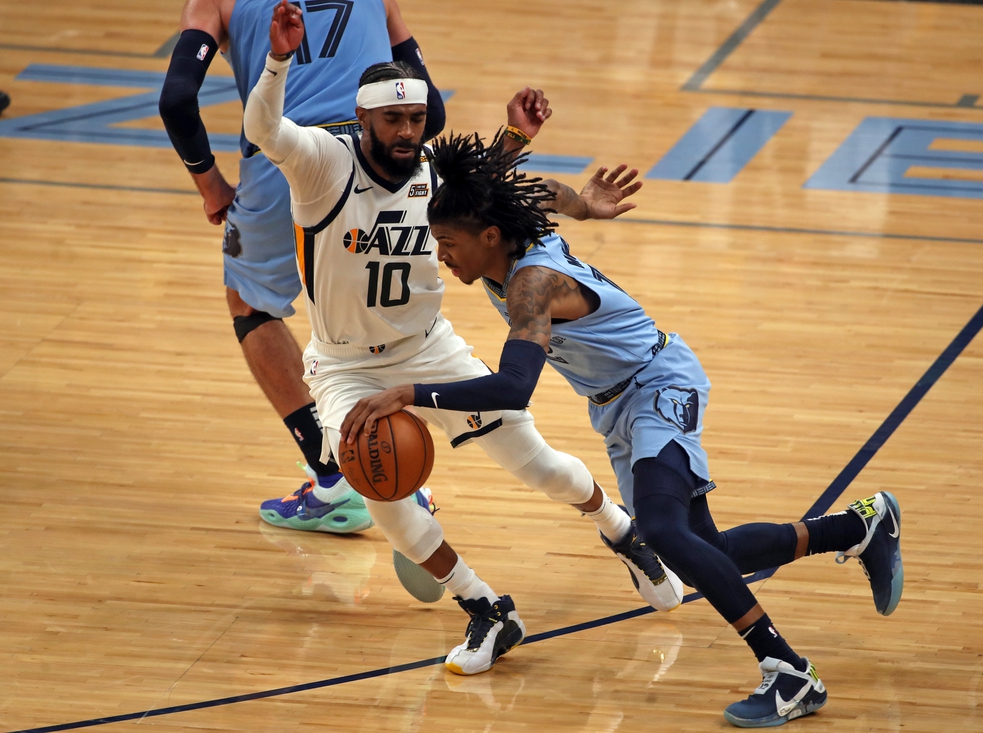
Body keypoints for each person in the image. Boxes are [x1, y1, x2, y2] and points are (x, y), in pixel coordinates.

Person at [342, 132, 906, 725]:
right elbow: (538, 190)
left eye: (448, 243)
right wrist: (582, 204)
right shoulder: (510, 226)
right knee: (701, 554)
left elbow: (512, 388)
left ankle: (788, 671)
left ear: (488, 237)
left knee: (662, 529)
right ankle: (857, 527)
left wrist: (409, 392)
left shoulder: (531, 284)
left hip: (657, 384)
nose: (441, 255)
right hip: (618, 404)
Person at [240, 3, 684, 674]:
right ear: (363, 119)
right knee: (381, 495)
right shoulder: (321, 164)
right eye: (393, 119)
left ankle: (621, 531)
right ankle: (484, 606)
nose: (407, 131)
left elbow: (508, 186)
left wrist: (575, 199)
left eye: (417, 119)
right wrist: (277, 60)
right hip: (344, 368)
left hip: (428, 348)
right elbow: (263, 126)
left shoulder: (432, 175)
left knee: (535, 463)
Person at [159, 0, 446, 531]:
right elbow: (433, 106)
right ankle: (396, 470)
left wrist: (211, 186)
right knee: (364, 306)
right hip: (376, 155)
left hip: (287, 155)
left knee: (250, 304)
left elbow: (177, 100)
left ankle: (336, 475)